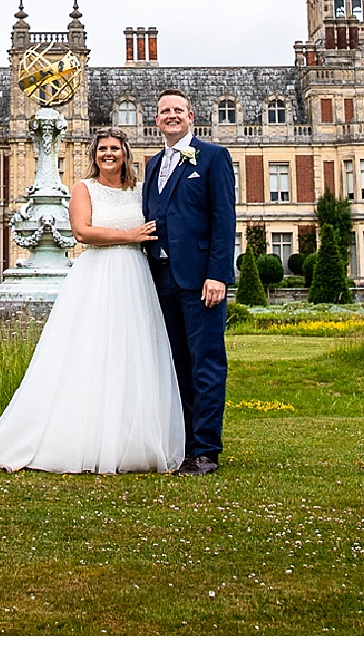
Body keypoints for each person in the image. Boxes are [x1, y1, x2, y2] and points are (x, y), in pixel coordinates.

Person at [0, 128, 186, 474]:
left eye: (115, 148)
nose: (108, 154)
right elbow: (82, 232)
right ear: (93, 155)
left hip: (135, 275)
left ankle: (131, 440)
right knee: (90, 352)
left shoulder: (140, 190)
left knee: (134, 354)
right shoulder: (83, 188)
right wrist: (129, 235)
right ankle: (81, 438)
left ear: (125, 153)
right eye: (102, 149)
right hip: (99, 274)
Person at [139, 87, 236, 475]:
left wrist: (218, 274)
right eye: (164, 111)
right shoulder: (152, 164)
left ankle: (206, 450)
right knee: (177, 362)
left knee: (206, 362)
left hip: (200, 279)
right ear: (157, 119)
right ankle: (185, 443)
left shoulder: (212, 157)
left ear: (191, 117)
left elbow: (224, 219)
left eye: (178, 110)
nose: (171, 116)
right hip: (162, 277)